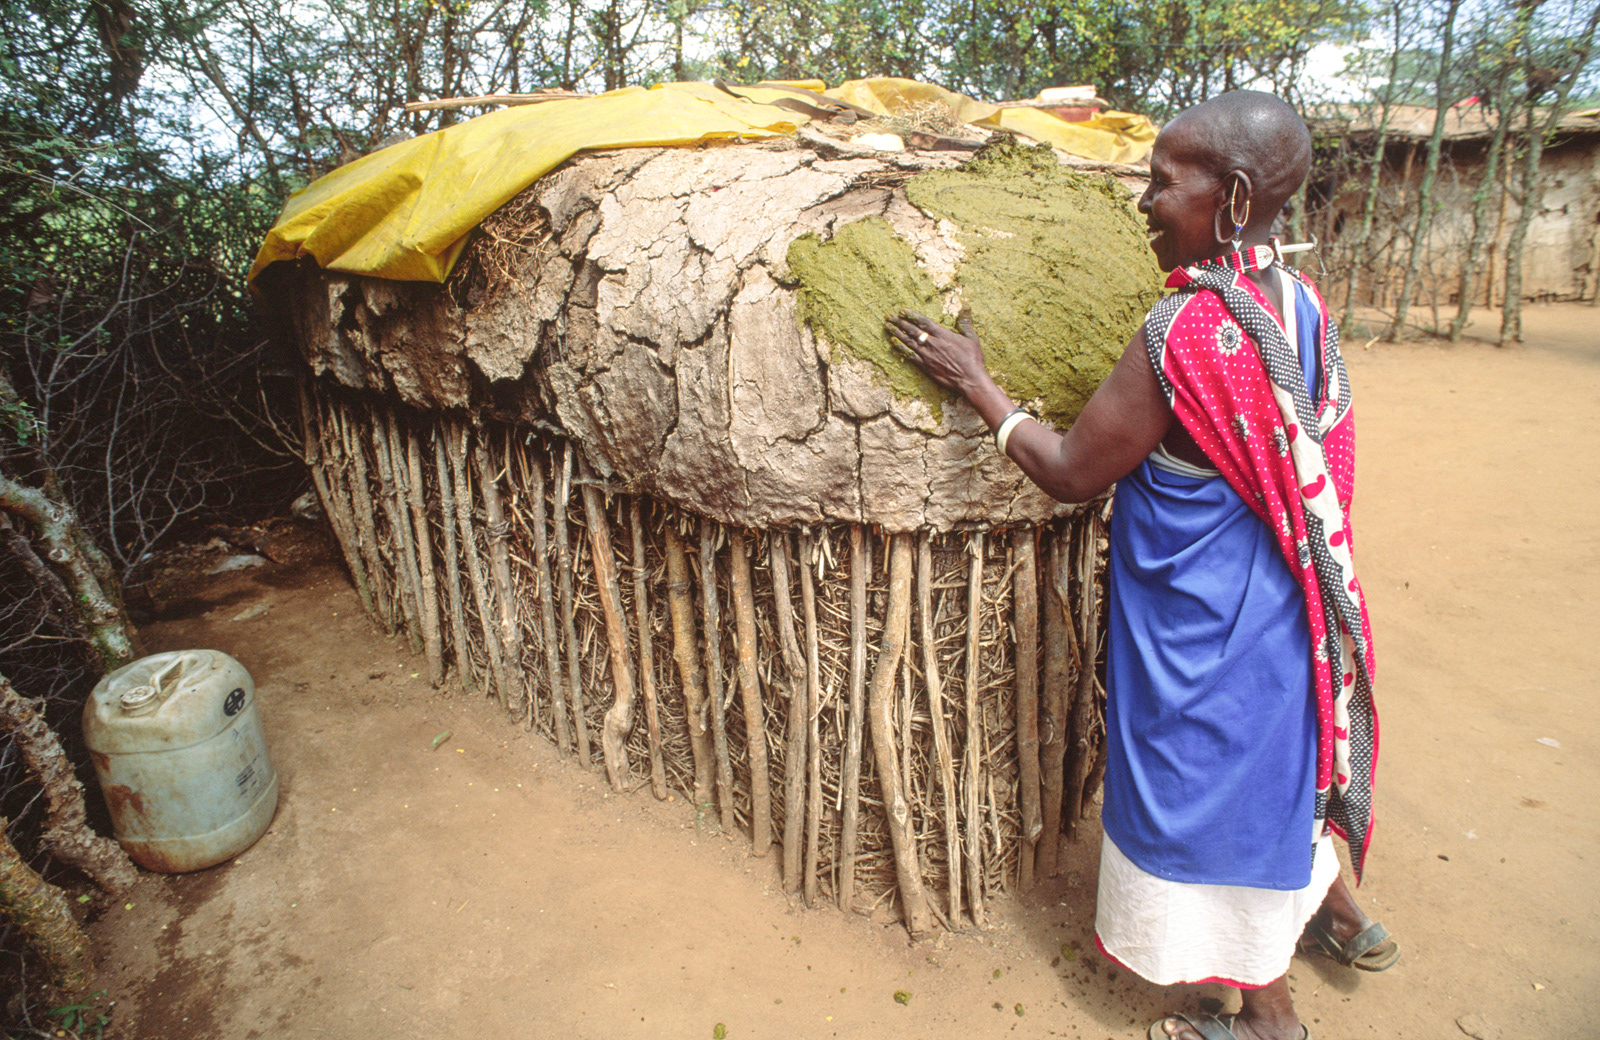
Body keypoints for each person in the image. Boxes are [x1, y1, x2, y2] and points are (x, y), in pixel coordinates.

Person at [886, 91, 1398, 1040]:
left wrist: (980, 387)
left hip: (1207, 645)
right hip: (1285, 620)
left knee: (1210, 817)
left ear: (1234, 197)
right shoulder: (1300, 303)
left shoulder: (1185, 337)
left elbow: (1073, 471)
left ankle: (1264, 1019)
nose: (1144, 203)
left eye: (1163, 184)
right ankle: (1337, 914)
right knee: (1277, 788)